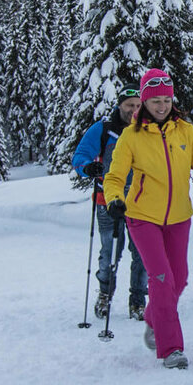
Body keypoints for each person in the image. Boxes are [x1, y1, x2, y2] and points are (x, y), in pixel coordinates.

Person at [103, 69, 193, 370]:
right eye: (155, 101)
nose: (161, 106)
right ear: (144, 102)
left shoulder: (186, 131)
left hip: (178, 216)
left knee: (180, 278)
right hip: (142, 217)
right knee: (161, 279)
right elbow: (114, 177)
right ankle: (171, 348)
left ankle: (153, 317)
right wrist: (114, 200)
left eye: (166, 99)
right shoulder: (131, 136)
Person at [71, 86, 148, 320]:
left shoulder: (146, 129)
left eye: (138, 106)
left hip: (140, 201)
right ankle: (105, 294)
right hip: (108, 200)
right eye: (129, 106)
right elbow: (80, 155)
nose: (134, 110)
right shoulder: (104, 129)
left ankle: (138, 300)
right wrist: (87, 168)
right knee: (110, 251)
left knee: (143, 253)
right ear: (120, 106)